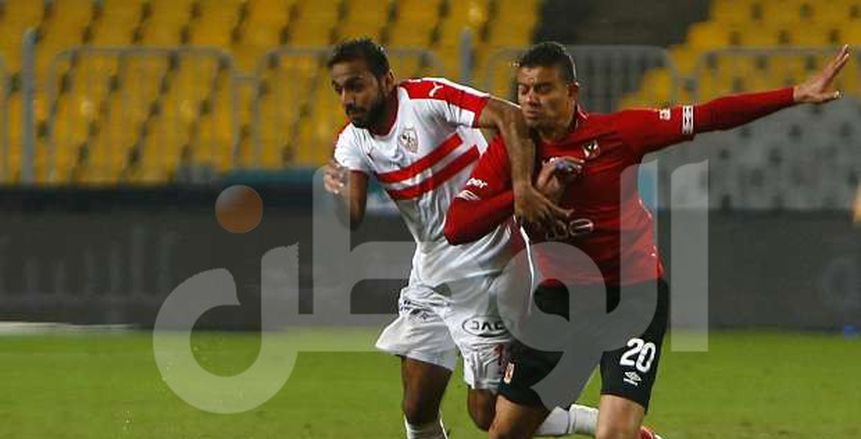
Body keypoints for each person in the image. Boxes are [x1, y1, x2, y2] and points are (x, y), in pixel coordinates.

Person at [444, 42, 850, 439]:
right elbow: (457, 227)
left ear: (572, 92)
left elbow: (709, 116)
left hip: (633, 295)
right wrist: (523, 195)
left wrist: (794, 94)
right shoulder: (510, 153)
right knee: (505, 430)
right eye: (524, 89)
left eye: (544, 88)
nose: (531, 99)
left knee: (614, 433)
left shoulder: (618, 134)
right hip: (562, 301)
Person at [323, 38, 608, 439]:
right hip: (431, 271)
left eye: (356, 85)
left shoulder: (427, 100)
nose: (348, 99)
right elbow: (351, 216)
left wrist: (522, 188)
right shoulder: (353, 141)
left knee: (489, 416)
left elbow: (510, 118)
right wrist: (334, 191)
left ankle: (602, 425)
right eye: (339, 90)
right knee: (417, 405)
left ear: (386, 80)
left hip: (490, 266)